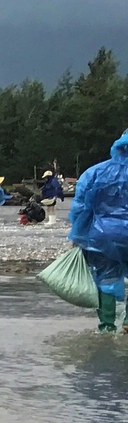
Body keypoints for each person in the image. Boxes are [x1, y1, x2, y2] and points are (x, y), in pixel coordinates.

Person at [67, 130, 128, 333]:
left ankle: (107, 326)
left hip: (102, 235)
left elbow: (80, 206)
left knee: (106, 279)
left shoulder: (95, 172)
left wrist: (77, 234)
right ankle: (127, 323)